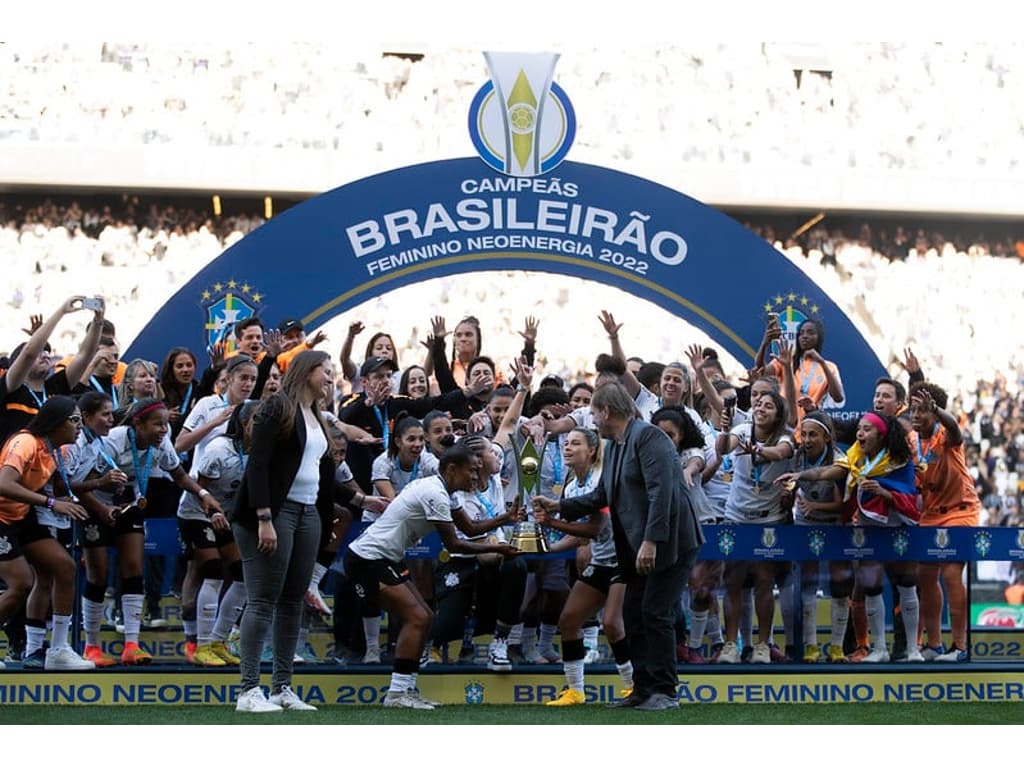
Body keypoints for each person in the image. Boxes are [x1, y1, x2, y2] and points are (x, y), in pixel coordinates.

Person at [533, 381, 704, 711]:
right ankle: (642, 689)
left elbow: (661, 493)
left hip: (671, 543)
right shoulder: (614, 446)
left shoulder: (649, 437)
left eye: (594, 413)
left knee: (655, 611)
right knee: (633, 612)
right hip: (637, 545)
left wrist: (651, 541)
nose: (592, 421)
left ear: (607, 411)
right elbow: (602, 496)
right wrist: (558, 506)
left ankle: (665, 691)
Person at [345, 442, 519, 709]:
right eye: (471, 471)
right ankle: (397, 693)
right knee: (419, 617)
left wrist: (506, 518)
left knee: (424, 617)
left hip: (383, 558)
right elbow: (455, 545)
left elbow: (471, 528)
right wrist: (497, 547)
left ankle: (406, 690)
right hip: (367, 560)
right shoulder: (435, 493)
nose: (475, 477)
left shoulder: (445, 491)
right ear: (451, 469)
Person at [73, 398, 224, 664]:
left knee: (134, 569)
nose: (164, 430)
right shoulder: (113, 440)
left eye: (166, 424)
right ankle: (92, 648)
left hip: (130, 503)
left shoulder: (161, 442)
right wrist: (101, 509)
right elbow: (79, 485)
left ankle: (132, 645)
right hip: (94, 503)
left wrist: (202, 493)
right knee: (98, 576)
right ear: (138, 424)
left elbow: (178, 474)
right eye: (158, 424)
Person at [229, 350, 337, 713]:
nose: (330, 377)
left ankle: (282, 688)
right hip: (273, 513)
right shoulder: (277, 406)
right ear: (307, 372)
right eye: (326, 370)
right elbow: (257, 465)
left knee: (293, 603)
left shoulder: (316, 414)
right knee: (262, 600)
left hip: (308, 513)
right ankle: (248, 690)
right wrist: (264, 517)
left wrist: (359, 498)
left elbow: (320, 470)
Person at [535, 427, 636, 706]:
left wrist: (552, 521)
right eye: (566, 443)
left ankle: (632, 687)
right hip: (602, 559)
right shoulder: (570, 487)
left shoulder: (599, 480)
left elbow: (595, 527)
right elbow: (579, 535)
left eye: (575, 443)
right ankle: (575, 691)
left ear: (591, 451)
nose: (567, 448)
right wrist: (548, 548)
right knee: (568, 620)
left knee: (612, 623)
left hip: (623, 559)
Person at [0, 396, 94, 670]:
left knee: (64, 567)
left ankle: (59, 651)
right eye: (75, 420)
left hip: (21, 515)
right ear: (55, 422)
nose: (80, 426)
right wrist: (51, 503)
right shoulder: (25, 442)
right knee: (21, 583)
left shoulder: (57, 450)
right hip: (3, 517)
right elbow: (3, 483)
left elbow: (62, 488)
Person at [714, 389, 795, 665]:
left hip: (768, 520)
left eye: (768, 406)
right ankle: (730, 645)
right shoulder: (741, 428)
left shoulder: (784, 435)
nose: (761, 408)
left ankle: (762, 645)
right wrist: (724, 430)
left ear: (778, 414)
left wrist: (758, 450)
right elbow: (723, 448)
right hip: (736, 516)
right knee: (733, 581)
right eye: (758, 404)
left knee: (763, 581)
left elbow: (781, 452)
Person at [836, 412, 922, 663]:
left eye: (866, 430)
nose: (860, 434)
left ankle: (913, 650)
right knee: (872, 588)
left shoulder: (899, 462)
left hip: (898, 530)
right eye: (859, 430)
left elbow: (910, 498)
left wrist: (885, 494)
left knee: (907, 585)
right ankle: (879, 649)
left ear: (882, 435)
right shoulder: (854, 460)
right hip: (868, 529)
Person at [909, 381, 980, 662]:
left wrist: (938, 411)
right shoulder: (910, 442)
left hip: (961, 511)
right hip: (930, 514)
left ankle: (960, 647)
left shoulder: (946, 436)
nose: (915, 415)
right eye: (913, 409)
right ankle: (934, 644)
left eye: (922, 410)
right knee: (925, 576)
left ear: (934, 413)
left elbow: (955, 428)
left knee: (951, 574)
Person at [774, 411, 849, 663]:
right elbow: (791, 492)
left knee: (839, 584)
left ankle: (837, 647)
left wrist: (813, 502)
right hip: (805, 525)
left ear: (826, 437)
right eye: (803, 434)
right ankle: (811, 646)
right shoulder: (797, 458)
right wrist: (787, 498)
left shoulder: (840, 460)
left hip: (835, 526)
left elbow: (836, 497)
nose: (806, 439)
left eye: (812, 434)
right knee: (808, 584)